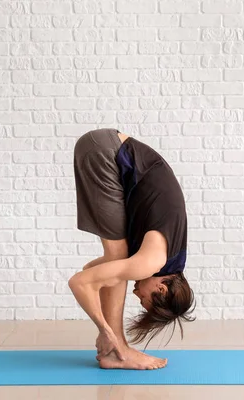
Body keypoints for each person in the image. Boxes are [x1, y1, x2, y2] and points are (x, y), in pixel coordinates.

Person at [68, 128, 196, 370]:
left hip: (106, 149)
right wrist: (105, 331)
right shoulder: (151, 262)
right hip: (106, 152)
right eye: (144, 300)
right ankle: (117, 349)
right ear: (161, 287)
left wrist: (100, 277)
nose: (136, 295)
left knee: (117, 261)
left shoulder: (170, 257)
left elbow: (93, 272)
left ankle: (114, 350)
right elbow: (79, 282)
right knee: (118, 258)